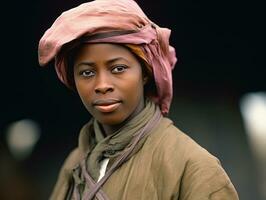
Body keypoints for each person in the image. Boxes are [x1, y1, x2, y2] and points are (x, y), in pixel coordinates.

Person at [38, 0, 239, 199]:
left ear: (145, 72)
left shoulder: (192, 167)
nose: (102, 85)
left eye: (118, 69)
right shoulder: (74, 164)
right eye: (87, 73)